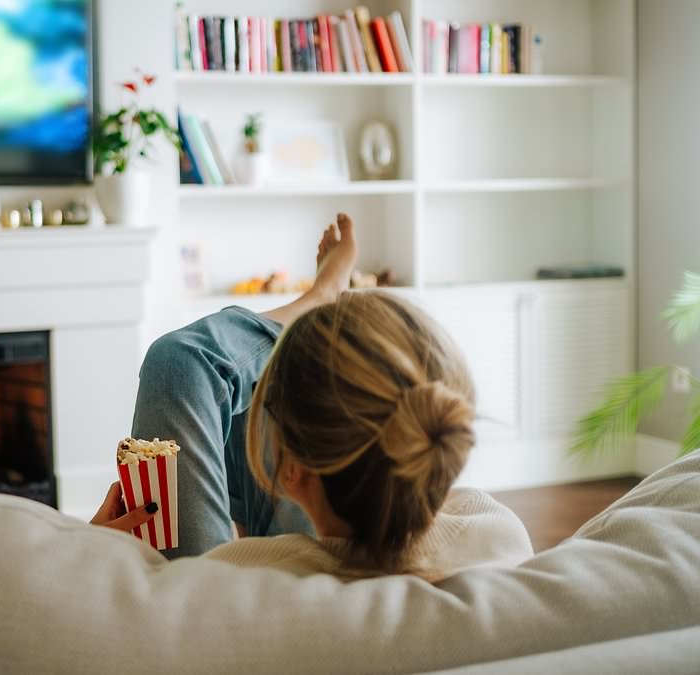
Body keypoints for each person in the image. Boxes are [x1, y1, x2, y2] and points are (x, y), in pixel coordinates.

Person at [91, 214, 532, 580]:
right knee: (264, 401)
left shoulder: (230, 577)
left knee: (182, 361)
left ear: (291, 471)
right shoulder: (502, 535)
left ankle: (316, 301)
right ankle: (317, 310)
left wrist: (97, 551)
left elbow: (164, 598)